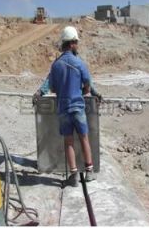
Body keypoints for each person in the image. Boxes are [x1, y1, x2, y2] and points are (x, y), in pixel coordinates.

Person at [44, 26, 96, 187]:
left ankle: (73, 176)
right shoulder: (78, 63)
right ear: (72, 43)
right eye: (76, 43)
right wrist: (83, 90)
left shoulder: (56, 65)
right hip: (78, 108)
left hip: (63, 109)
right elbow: (87, 85)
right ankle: (89, 172)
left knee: (69, 142)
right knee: (84, 139)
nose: (77, 46)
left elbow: (52, 87)